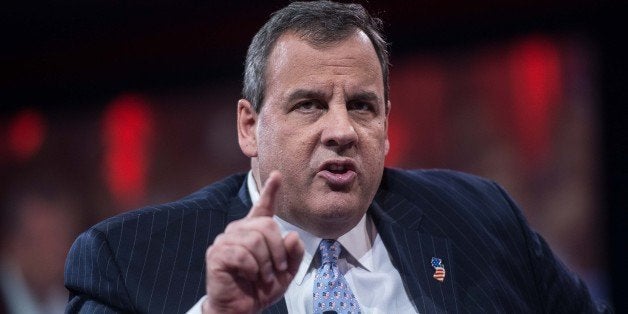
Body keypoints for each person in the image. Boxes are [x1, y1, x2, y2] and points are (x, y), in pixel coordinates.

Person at [64, 1, 610, 313]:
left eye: (363, 106)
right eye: (309, 105)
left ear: (388, 124)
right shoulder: (126, 260)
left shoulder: (483, 219)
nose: (342, 130)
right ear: (249, 127)